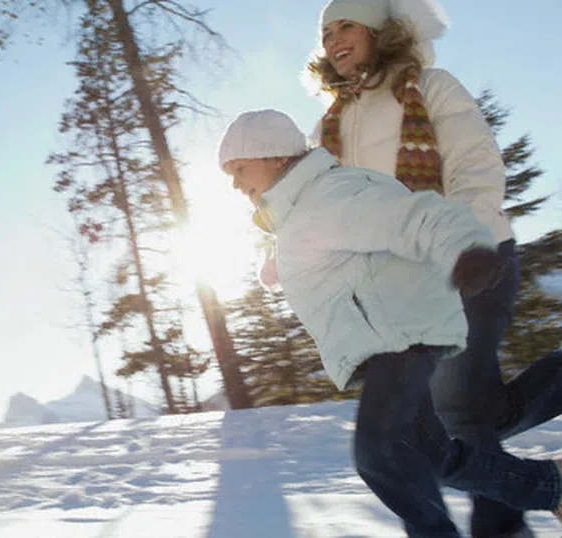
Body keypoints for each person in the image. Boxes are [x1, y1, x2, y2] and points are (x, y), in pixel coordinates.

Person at [216, 108, 562, 538]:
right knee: (435, 459)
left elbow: (416, 215)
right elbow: (320, 251)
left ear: (277, 157)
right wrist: (276, 266)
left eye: (239, 168)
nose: (234, 182)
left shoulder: (331, 194)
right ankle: (551, 488)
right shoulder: (301, 210)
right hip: (389, 339)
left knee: (377, 453)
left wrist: (466, 247)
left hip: (402, 336)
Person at [302, 1, 562, 535]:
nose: (333, 39)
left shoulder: (433, 87)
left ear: (380, 30)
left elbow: (476, 163)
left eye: (346, 24)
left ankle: (504, 528)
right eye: (325, 31)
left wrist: (462, 240)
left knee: (459, 415)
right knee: (480, 411)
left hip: (473, 258)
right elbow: (314, 207)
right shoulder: (327, 125)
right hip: (404, 287)